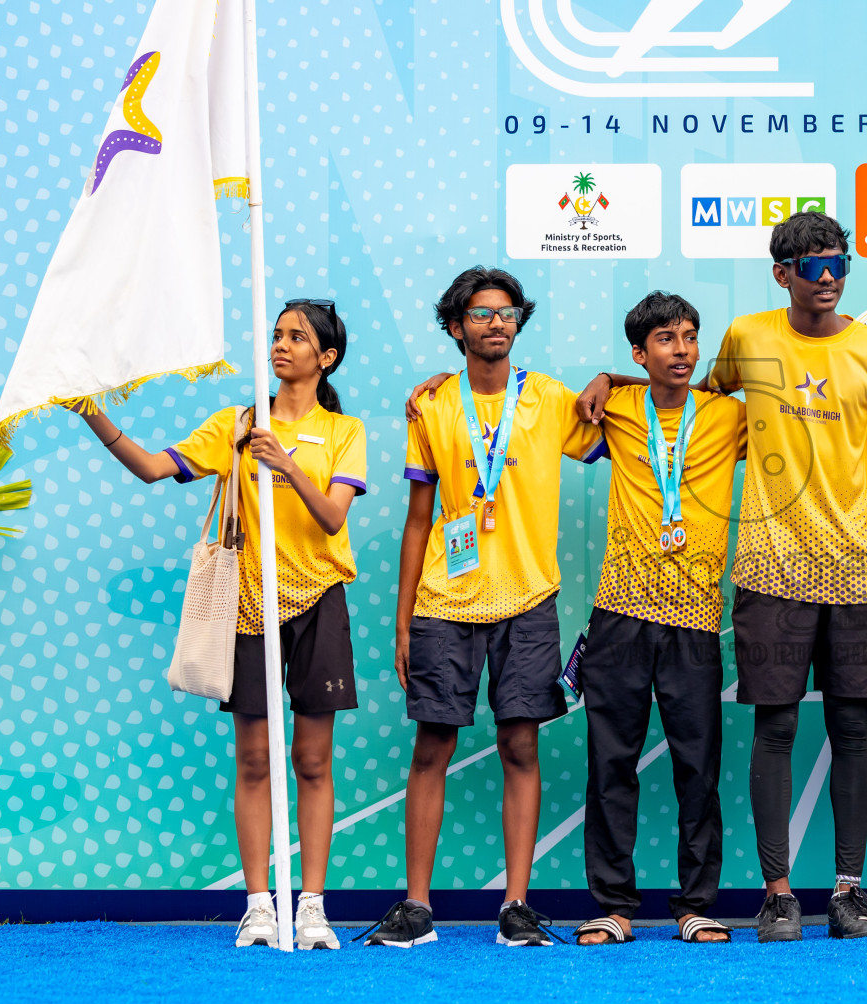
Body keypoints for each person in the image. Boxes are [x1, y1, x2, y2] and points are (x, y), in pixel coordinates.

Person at [578, 212, 867, 941]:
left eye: (838, 263)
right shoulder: (747, 338)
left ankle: (848, 894)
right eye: (812, 266)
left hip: (856, 570)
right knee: (776, 728)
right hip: (768, 569)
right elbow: (690, 398)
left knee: (851, 728)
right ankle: (779, 894)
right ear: (781, 273)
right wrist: (612, 375)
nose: (828, 278)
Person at [73, 299, 366, 950]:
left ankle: (312, 905)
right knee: (255, 759)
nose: (281, 344)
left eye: (298, 337)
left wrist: (285, 463)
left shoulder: (344, 433)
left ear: (327, 357)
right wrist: (94, 414)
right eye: (277, 334)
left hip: (318, 600)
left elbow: (332, 519)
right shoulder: (234, 426)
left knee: (312, 760)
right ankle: (259, 904)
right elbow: (154, 467)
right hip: (248, 606)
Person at [364, 267, 605, 949]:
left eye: (506, 313)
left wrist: (610, 380)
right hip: (444, 601)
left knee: (519, 743)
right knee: (432, 746)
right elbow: (417, 521)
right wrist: (403, 618)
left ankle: (517, 905)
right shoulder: (432, 407)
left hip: (528, 598)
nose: (495, 323)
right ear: (454, 327)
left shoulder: (552, 399)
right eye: (480, 313)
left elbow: (625, 419)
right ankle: (415, 905)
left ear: (518, 323)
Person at [570, 291, 746, 946]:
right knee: (610, 762)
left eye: (690, 337)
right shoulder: (612, 408)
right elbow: (524, 413)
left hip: (696, 618)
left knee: (698, 767)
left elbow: (807, 423)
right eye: (666, 340)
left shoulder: (729, 416)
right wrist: (608, 380)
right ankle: (613, 905)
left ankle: (696, 903)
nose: (683, 350)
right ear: (640, 354)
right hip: (619, 614)